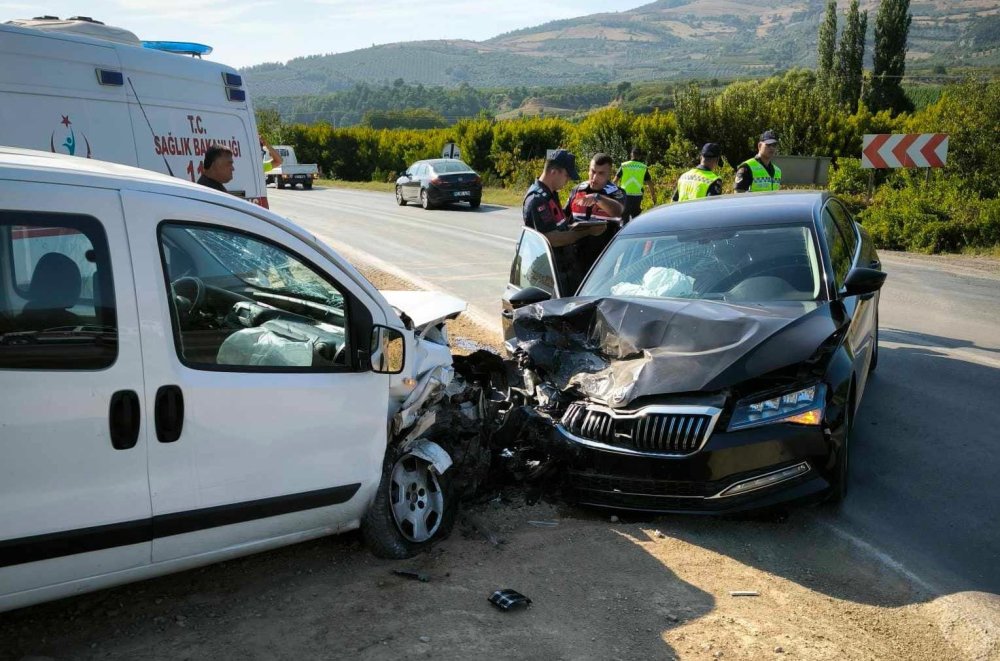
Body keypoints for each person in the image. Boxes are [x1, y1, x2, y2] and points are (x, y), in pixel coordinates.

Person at [522, 149, 606, 293]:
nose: (567, 181)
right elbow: (552, 238)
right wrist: (587, 231)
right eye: (566, 175)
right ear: (554, 172)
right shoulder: (537, 200)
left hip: (561, 269)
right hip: (547, 276)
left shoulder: (550, 194)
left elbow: (560, 225)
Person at [614, 147, 657, 223]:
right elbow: (650, 183)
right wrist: (653, 197)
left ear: (631, 154)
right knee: (636, 220)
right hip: (637, 197)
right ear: (640, 156)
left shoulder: (624, 165)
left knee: (624, 220)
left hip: (624, 196)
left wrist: (612, 195)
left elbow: (615, 181)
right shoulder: (643, 167)